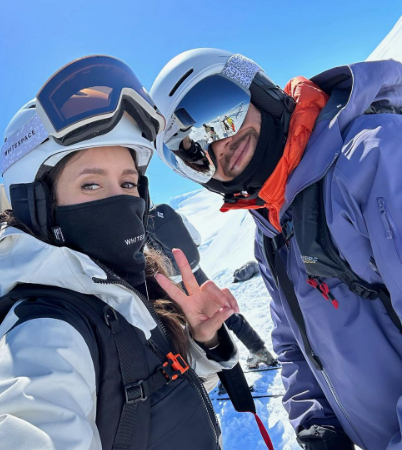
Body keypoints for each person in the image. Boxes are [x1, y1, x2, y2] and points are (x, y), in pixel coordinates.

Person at [0, 55, 241, 450]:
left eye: (127, 183)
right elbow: (27, 419)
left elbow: (162, 396)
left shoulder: (127, 297)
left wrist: (204, 341)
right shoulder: (48, 328)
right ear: (43, 206)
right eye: (91, 185)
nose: (120, 201)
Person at [150, 49, 402, 449]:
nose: (218, 147)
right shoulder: (271, 230)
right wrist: (317, 426)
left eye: (219, 111)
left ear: (257, 89)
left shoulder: (376, 158)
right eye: (192, 150)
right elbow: (295, 342)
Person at [147, 202, 277, 368]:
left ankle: (222, 374)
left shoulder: (138, 223)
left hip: (172, 280)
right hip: (195, 268)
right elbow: (196, 239)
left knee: (199, 327)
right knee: (221, 311)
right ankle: (259, 350)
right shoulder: (168, 211)